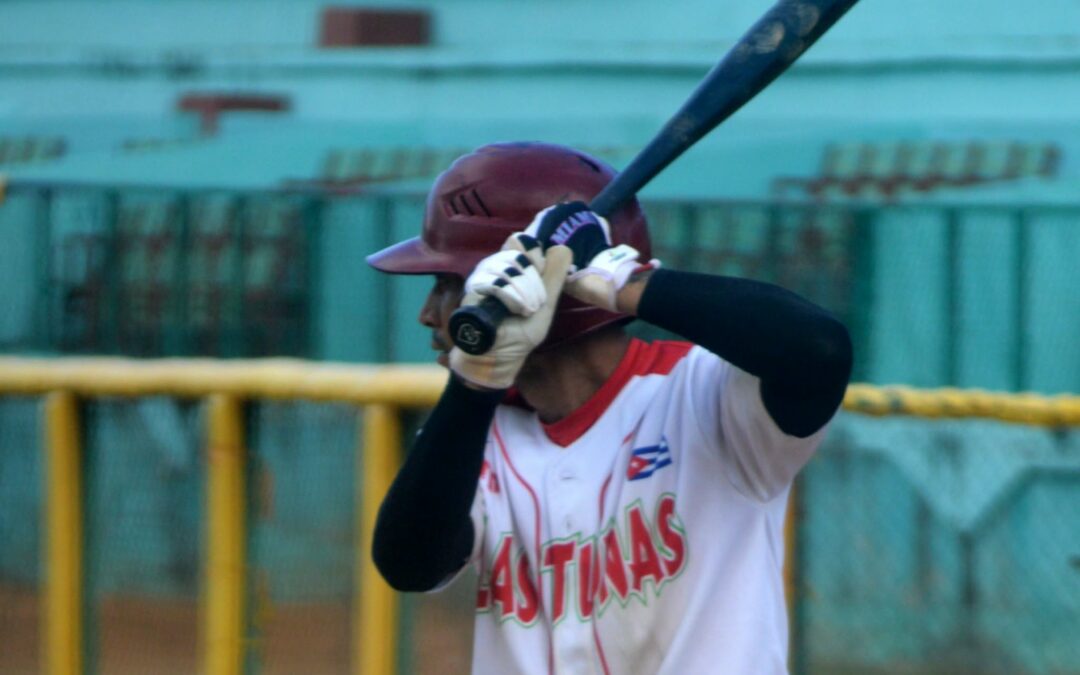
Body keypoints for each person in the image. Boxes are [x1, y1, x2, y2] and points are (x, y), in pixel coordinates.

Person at [366, 142, 852, 675]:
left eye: (448, 284)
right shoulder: (473, 429)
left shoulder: (704, 395)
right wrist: (476, 379)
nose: (428, 314)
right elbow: (409, 563)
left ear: (546, 286)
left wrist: (620, 279)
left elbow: (819, 350)